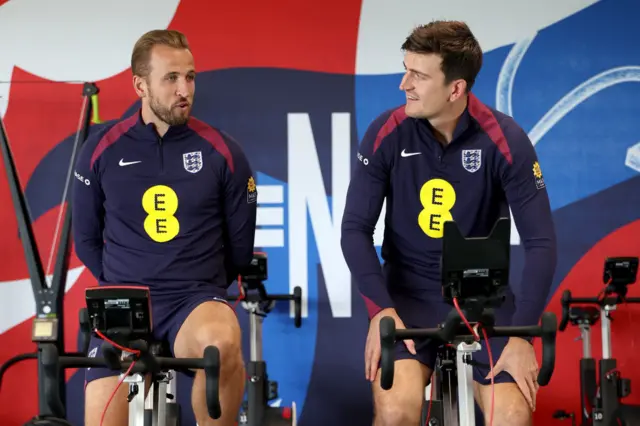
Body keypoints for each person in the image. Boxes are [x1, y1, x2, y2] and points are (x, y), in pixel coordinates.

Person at [341, 20, 557, 426]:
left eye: (418, 75)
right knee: (395, 412)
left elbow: (541, 241)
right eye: (405, 69)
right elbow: (354, 229)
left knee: (511, 415)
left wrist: (522, 336)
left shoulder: (505, 139)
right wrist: (380, 310)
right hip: (406, 301)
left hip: (486, 303)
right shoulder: (386, 133)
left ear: (455, 89)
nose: (404, 83)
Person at [72, 29, 257, 426]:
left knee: (222, 344)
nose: (184, 89)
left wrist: (200, 283)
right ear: (140, 84)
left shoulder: (223, 152)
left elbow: (240, 250)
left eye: (190, 77)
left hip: (193, 300)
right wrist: (123, 278)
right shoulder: (102, 149)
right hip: (125, 302)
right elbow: (86, 239)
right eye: (171, 78)